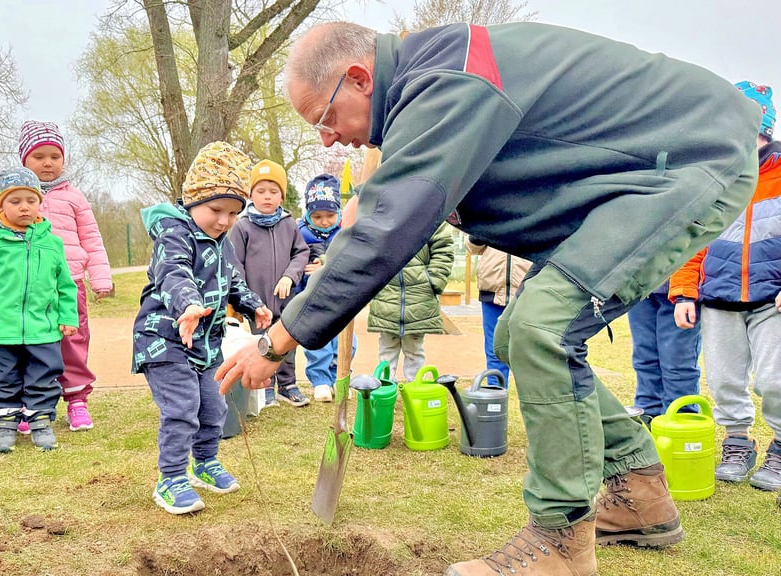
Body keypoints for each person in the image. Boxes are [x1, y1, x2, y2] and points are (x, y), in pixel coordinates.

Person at [217, 21, 762, 575]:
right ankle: (638, 491)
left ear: (359, 79)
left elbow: (387, 235)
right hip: (641, 175)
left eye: (326, 119)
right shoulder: (430, 84)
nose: (327, 139)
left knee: (540, 329)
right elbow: (418, 202)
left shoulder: (447, 80)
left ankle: (560, 543)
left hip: (688, 160)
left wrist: (278, 339)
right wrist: (378, 207)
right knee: (515, 331)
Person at [132, 141, 271, 515]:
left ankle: (204, 463)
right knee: (183, 408)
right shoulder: (173, 234)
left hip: (205, 344)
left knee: (214, 407)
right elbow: (172, 271)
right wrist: (188, 303)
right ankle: (171, 478)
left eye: (233, 213)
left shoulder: (221, 242)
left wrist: (252, 304)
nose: (224, 220)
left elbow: (232, 281)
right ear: (192, 200)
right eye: (215, 210)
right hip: (165, 340)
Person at [670, 81, 780, 492]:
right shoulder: (714, 178)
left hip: (773, 299)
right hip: (719, 296)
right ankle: (737, 442)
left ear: (762, 128)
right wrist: (683, 291)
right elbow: (692, 240)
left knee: (775, 380)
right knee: (722, 379)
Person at [0, 167, 78, 453]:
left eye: (30, 200)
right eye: (15, 201)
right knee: (4, 377)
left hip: (43, 329)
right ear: (1, 205)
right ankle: (6, 422)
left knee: (43, 375)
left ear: (39, 203)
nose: (24, 207)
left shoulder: (52, 243)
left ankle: (40, 420)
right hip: (1, 330)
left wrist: (68, 316)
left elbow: (65, 285)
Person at [18, 120, 113, 432]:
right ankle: (32, 405)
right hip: (27, 289)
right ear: (24, 160)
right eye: (39, 156)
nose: (48, 163)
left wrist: (100, 279)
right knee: (29, 345)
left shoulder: (74, 197)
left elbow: (93, 241)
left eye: (54, 156)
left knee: (72, 342)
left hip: (69, 285)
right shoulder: (14, 198)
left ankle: (76, 400)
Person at [228, 159, 310, 407]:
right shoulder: (242, 226)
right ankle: (265, 388)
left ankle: (288, 385)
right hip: (256, 304)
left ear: (282, 195)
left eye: (273, 192)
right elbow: (234, 264)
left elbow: (301, 253)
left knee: (285, 341)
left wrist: (290, 276)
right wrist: (244, 299)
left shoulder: (289, 224)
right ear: (251, 194)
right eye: (261, 191)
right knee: (260, 343)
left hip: (286, 301)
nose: (267, 197)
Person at [368, 223, 454, 382]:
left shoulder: (430, 216)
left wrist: (434, 280)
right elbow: (363, 246)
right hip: (387, 295)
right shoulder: (382, 213)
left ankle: (414, 387)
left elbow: (443, 247)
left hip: (419, 295)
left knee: (414, 349)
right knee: (387, 349)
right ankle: (386, 389)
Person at [297, 174, 355, 402]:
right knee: (318, 340)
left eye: (329, 215)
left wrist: (327, 264)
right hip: (312, 298)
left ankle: (339, 377)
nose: (323, 221)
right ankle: (320, 381)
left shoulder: (345, 233)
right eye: (317, 216)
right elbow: (294, 261)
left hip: (341, 297)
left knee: (346, 342)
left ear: (338, 213)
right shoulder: (300, 234)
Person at [626, 281, 701, 425]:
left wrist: (685, 294)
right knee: (644, 359)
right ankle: (647, 416)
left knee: (677, 364)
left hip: (681, 285)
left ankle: (680, 420)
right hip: (640, 284)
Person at [465, 240, 532, 388]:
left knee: (529, 351)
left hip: (527, 291)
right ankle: (496, 401)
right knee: (495, 350)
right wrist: (479, 231)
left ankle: (533, 401)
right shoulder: (492, 215)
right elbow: (472, 248)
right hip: (492, 289)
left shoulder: (534, 216)